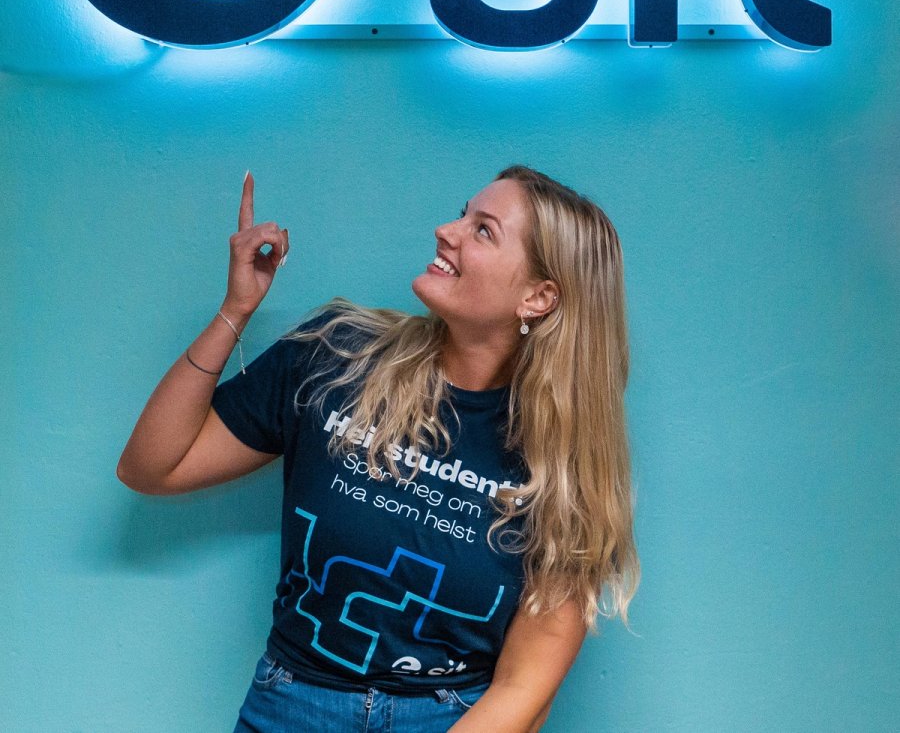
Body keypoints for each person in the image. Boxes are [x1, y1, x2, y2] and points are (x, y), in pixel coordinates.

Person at [117, 165, 639, 732]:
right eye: (462, 214)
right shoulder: (336, 357)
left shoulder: (564, 464)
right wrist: (235, 309)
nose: (446, 231)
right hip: (290, 708)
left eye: (483, 230)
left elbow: (525, 688)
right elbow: (152, 467)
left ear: (538, 297)